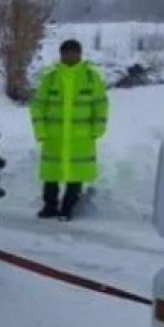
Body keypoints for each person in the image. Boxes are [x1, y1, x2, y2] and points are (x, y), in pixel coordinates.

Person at [30, 39, 109, 221]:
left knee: (76, 175)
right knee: (51, 174)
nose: (70, 56)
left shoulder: (91, 77)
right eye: (67, 53)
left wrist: (98, 128)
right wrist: (40, 130)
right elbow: (38, 106)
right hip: (54, 137)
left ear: (80, 54)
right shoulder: (51, 78)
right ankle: (49, 206)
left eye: (74, 53)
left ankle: (68, 208)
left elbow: (101, 105)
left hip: (80, 138)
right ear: (61, 55)